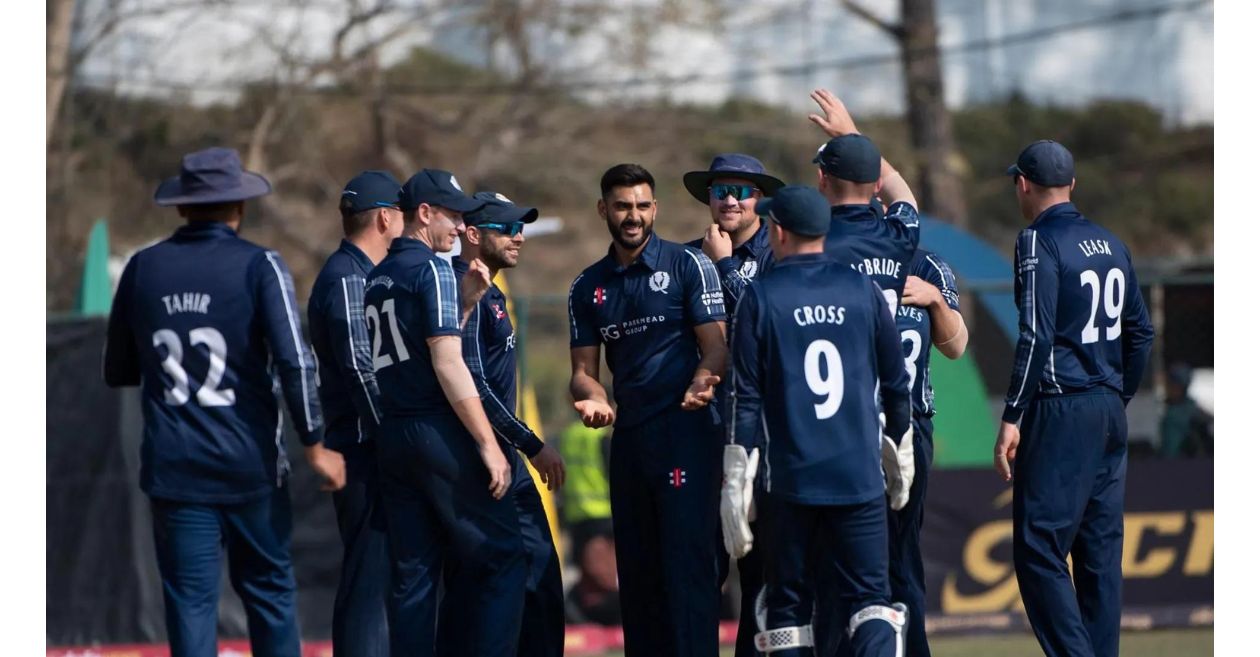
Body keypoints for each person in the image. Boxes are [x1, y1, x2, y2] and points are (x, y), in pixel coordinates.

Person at [103, 147, 346, 657]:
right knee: (270, 594)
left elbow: (119, 369)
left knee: (191, 604)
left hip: (175, 467)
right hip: (248, 465)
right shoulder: (260, 266)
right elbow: (296, 361)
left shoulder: (143, 268)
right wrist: (316, 442)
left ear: (182, 206)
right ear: (239, 206)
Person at [722, 185, 914, 657]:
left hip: (790, 482)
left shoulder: (759, 297)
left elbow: (743, 399)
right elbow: (896, 382)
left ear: (780, 232)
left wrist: (735, 477)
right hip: (859, 478)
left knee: (786, 607)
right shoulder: (863, 291)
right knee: (872, 603)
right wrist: (900, 443)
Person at [993, 140, 1155, 657]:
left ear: (1023, 184)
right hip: (1108, 408)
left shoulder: (1037, 241)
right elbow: (1141, 334)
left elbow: (1036, 335)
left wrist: (1013, 414)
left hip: (1061, 408)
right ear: (1073, 185)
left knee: (1039, 549)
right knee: (1099, 557)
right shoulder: (1112, 243)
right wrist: (1114, 395)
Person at [567, 163, 728, 656]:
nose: (632, 216)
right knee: (637, 577)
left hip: (688, 434)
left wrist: (704, 379)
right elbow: (582, 371)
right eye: (622, 206)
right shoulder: (586, 286)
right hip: (631, 443)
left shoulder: (688, 265)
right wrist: (592, 394)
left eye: (641, 206)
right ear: (604, 210)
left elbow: (716, 346)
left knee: (688, 570)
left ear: (654, 208)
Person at [364, 169, 523, 657]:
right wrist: (488, 443)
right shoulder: (432, 268)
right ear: (424, 214)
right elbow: (447, 362)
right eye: (451, 214)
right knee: (503, 558)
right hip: (435, 430)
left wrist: (468, 305)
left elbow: (415, 345)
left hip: (393, 433)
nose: (459, 225)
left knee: (414, 576)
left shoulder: (377, 276)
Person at [452, 190, 567, 657]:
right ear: (473, 235)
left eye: (520, 227)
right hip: (488, 461)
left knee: (539, 578)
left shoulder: (492, 289)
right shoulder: (468, 288)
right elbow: (474, 383)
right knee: (507, 583)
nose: (518, 236)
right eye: (506, 228)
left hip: (505, 458)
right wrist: (531, 443)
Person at [682, 152, 785, 657]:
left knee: (762, 571)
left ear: (759, 198)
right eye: (720, 189)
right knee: (701, 566)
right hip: (703, 432)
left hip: (762, 436)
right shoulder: (690, 257)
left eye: (742, 190)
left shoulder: (779, 254)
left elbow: (766, 328)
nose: (729, 199)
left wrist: (724, 266)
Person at [307, 170, 405, 657]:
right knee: (368, 580)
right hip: (364, 448)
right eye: (403, 213)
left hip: (371, 445)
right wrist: (394, 437)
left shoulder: (362, 273)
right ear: (386, 218)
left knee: (381, 577)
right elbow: (360, 367)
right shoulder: (348, 278)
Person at [891, 251, 969, 656]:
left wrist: (936, 299)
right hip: (848, 432)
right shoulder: (835, 256)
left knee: (902, 559)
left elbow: (956, 347)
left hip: (910, 427)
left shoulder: (927, 266)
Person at [808, 88, 920, 311]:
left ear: (822, 179)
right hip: (888, 346)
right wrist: (851, 132)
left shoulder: (813, 243)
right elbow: (902, 194)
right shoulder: (900, 235)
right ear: (877, 185)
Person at [1159, 362, 1212, 458]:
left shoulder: (1192, 410)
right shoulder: (1166, 408)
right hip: (1164, 463)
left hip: (1184, 466)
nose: (1169, 387)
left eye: (1173, 384)